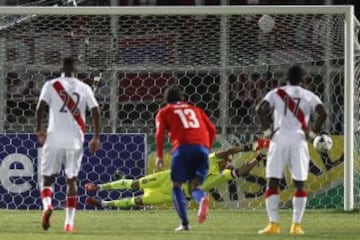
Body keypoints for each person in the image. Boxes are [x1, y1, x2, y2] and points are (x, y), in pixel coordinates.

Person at [84, 139, 269, 209]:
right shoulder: (211, 159)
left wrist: (257, 158)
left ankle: (102, 203)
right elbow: (227, 151)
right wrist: (248, 147)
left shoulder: (223, 175)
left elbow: (241, 172)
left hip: (172, 193)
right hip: (168, 177)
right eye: (227, 160)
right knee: (135, 184)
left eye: (228, 161)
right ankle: (98, 187)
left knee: (138, 200)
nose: (227, 161)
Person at [256, 65, 327, 235]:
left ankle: (273, 224)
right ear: (303, 79)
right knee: (300, 182)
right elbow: (323, 113)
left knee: (273, 180)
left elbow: (260, 109)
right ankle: (296, 225)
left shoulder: (276, 92)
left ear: (286, 78)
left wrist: (267, 132)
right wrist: (312, 133)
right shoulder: (309, 95)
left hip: (278, 139)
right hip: (299, 140)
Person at [36, 57, 101, 232]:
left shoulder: (51, 85)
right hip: (75, 139)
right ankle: (69, 223)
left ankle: (47, 205)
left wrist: (39, 129)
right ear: (76, 70)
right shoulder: (84, 87)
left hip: (54, 137)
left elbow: (40, 107)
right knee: (71, 179)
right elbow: (96, 110)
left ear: (61, 68)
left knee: (47, 177)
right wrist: (96, 137)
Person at [154, 85, 216, 231]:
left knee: (177, 185)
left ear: (166, 100)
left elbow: (159, 134)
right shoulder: (196, 110)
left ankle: (185, 223)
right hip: (202, 148)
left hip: (183, 148)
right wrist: (206, 149)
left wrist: (160, 155)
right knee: (195, 185)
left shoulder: (164, 112)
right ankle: (202, 199)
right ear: (182, 98)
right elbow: (212, 130)